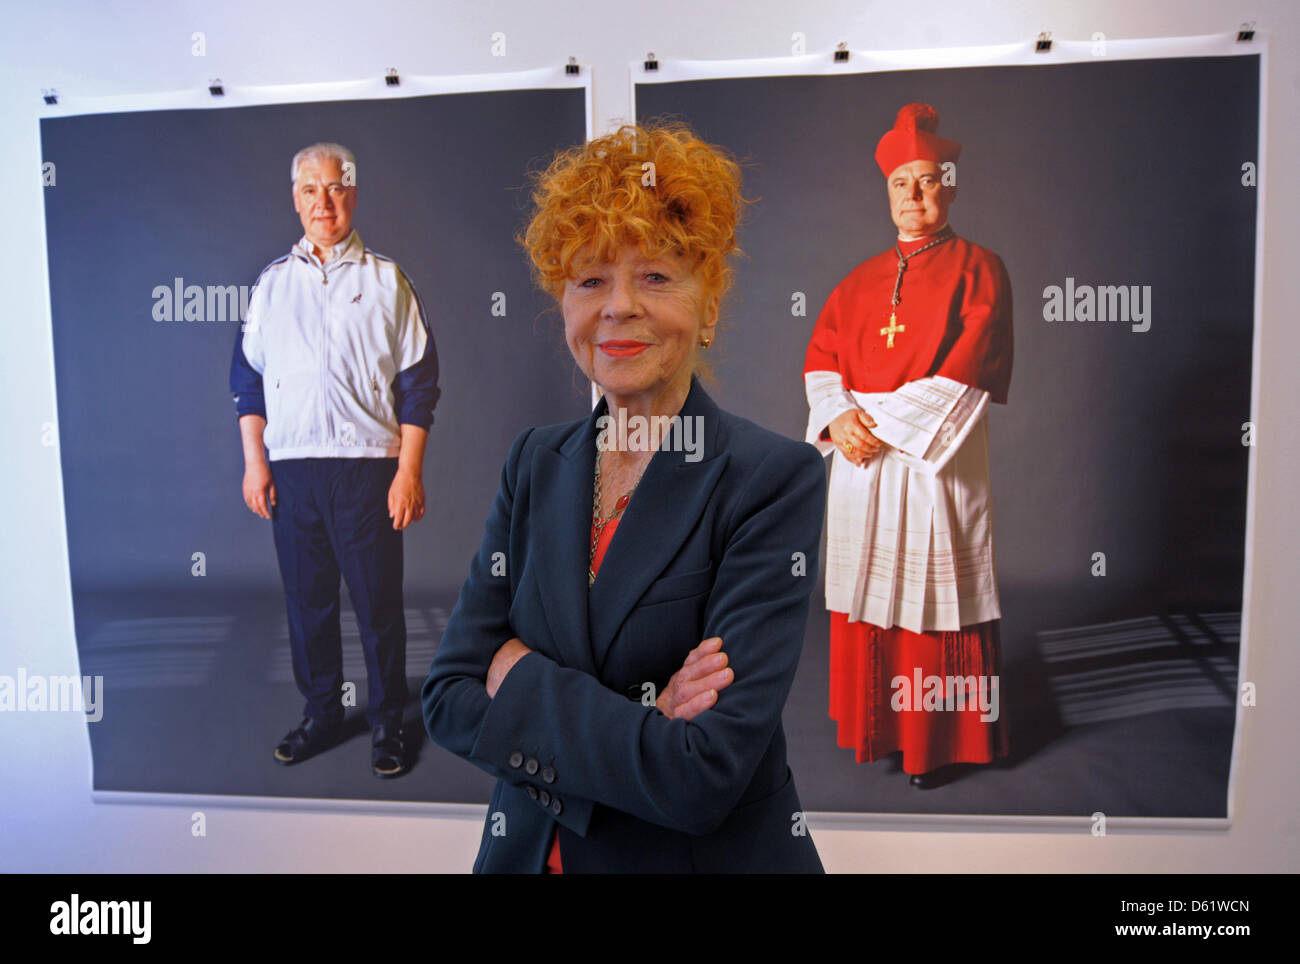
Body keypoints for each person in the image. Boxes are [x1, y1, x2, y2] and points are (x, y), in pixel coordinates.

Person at [422, 123, 825, 873]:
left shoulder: (771, 478)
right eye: (591, 280)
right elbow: (447, 694)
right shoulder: (535, 462)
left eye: (657, 277)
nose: (619, 308)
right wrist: (647, 720)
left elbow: (703, 772)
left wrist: (520, 679)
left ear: (708, 306)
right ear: (565, 307)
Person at [803, 104, 1013, 789]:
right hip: (863, 464)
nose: (914, 196)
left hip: (931, 461)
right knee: (872, 593)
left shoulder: (980, 267)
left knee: (931, 600)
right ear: (887, 189)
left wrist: (879, 428)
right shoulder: (856, 279)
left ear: (949, 186)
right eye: (902, 183)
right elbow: (822, 360)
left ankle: (937, 742)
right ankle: (880, 730)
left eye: (927, 182)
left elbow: (970, 363)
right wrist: (838, 420)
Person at [230, 142, 439, 778]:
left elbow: (420, 383)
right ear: (295, 198)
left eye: (336, 187)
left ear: (354, 193)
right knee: (308, 602)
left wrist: (408, 469)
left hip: (368, 469)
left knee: (377, 603)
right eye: (310, 190)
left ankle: (387, 725)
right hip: (293, 470)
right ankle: (322, 714)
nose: (324, 201)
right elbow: (247, 380)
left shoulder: (386, 280)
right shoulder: (271, 285)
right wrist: (255, 463)